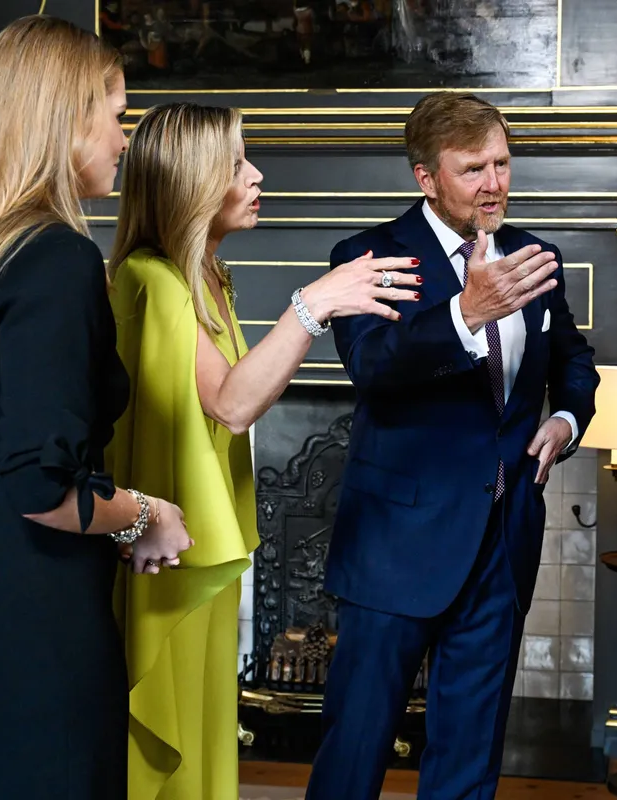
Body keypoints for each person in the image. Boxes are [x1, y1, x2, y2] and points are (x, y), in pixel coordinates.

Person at [0, 16, 193, 800]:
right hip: (28, 611)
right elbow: (39, 484)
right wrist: (146, 516)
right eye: (116, 115)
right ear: (65, 121)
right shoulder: (56, 256)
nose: (124, 139)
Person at [106, 102, 421, 800]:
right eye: (236, 164)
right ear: (190, 181)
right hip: (167, 552)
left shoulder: (207, 276)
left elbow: (245, 398)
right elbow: (232, 403)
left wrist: (315, 310)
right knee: (171, 740)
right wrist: (312, 305)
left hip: (204, 544)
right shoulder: (150, 278)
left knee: (205, 731)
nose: (256, 175)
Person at [303, 91, 599, 800]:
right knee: (354, 752)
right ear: (426, 177)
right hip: (395, 546)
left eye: (502, 164)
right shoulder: (367, 258)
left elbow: (573, 361)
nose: (494, 183)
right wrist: (464, 313)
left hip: (502, 541)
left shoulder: (536, 257)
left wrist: (567, 420)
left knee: (469, 757)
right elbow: (373, 367)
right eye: (472, 169)